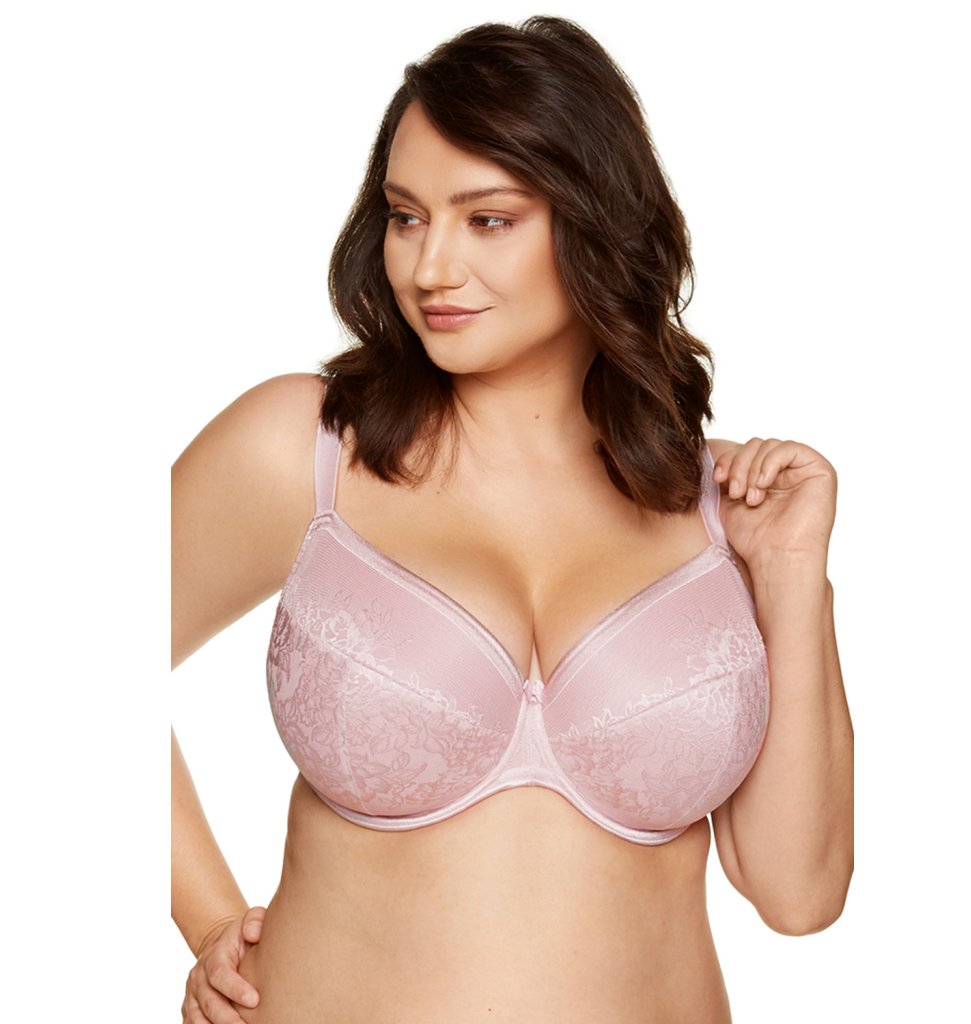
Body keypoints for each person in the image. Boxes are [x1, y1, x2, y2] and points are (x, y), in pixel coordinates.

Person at [172, 16, 853, 1024]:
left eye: (487, 219)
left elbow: (799, 896)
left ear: (594, 222)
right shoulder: (310, 451)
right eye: (407, 217)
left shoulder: (724, 514)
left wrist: (792, 576)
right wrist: (209, 922)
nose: (430, 267)